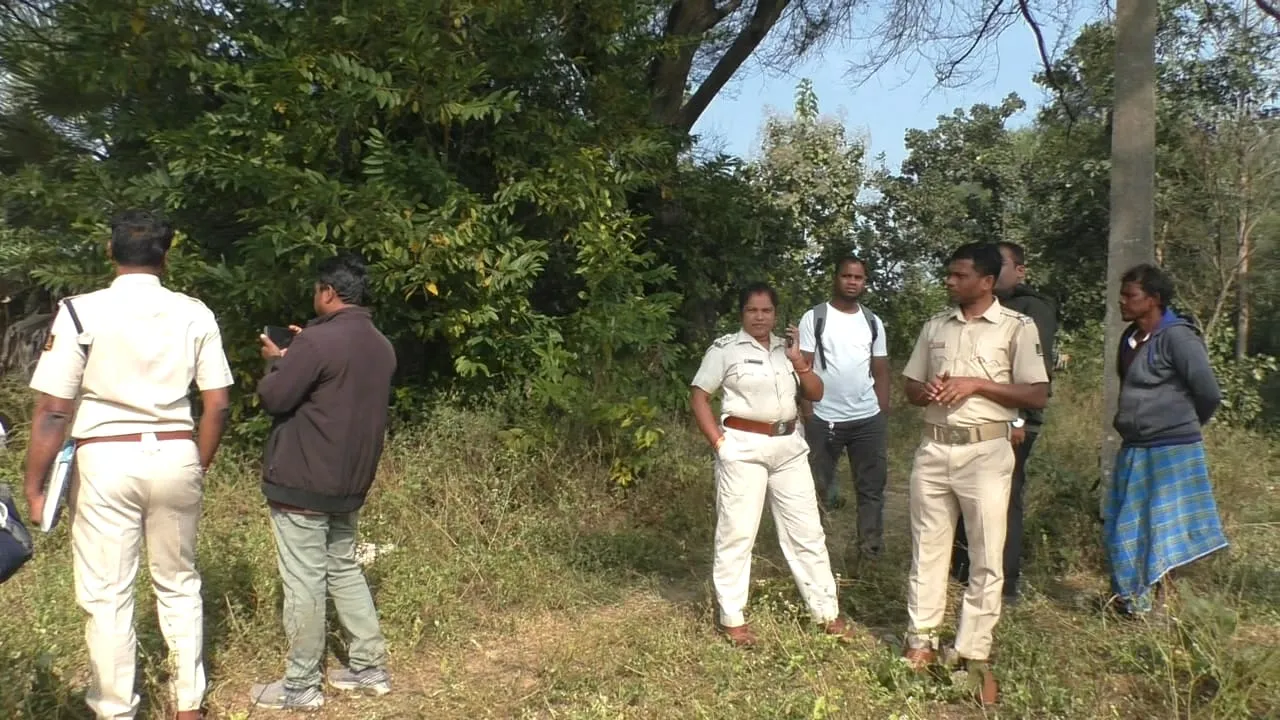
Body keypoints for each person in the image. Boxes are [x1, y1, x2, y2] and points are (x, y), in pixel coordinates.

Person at [21, 209, 234, 720]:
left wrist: (34, 486)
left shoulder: (80, 311)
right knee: (179, 581)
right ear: (166, 254)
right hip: (177, 450)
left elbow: (54, 409)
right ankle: (188, 704)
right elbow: (219, 402)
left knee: (108, 593)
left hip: (105, 457)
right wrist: (197, 463)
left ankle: (117, 708)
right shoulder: (195, 312)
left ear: (110, 251)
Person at [899, 243, 1049, 705]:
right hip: (934, 449)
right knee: (928, 548)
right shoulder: (935, 326)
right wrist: (926, 390)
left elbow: (1037, 394)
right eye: (948, 274)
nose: (950, 281)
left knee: (986, 554)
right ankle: (920, 641)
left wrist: (977, 384)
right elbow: (909, 387)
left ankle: (970, 650)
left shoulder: (1017, 328)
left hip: (986, 452)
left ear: (987, 281)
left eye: (960, 275)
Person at [250, 253, 397, 711]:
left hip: (303, 479)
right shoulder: (380, 344)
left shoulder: (316, 342)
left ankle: (300, 687)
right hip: (349, 482)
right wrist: (299, 354)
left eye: (317, 290)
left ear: (328, 293)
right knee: (343, 567)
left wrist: (277, 361)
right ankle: (370, 668)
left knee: (304, 581)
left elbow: (276, 397)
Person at [690, 282, 859, 647]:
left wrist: (799, 360)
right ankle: (732, 617)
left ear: (776, 314)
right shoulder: (725, 349)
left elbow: (815, 392)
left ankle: (825, 612)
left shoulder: (788, 351)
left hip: (788, 448)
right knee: (737, 533)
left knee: (807, 533)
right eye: (752, 310)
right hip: (743, 447)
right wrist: (720, 445)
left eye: (766, 311)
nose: (760, 317)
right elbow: (700, 397)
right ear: (742, 313)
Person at [1106, 263, 1226, 616]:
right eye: (1123, 295)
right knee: (1128, 525)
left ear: (1154, 299)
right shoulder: (1129, 339)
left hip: (1171, 450)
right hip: (1136, 448)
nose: (1122, 302)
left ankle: (1163, 605)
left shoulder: (1178, 337)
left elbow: (1208, 393)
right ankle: (1132, 601)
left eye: (1131, 295)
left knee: (1164, 530)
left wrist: (1181, 426)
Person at [950, 241, 1058, 603]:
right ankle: (963, 572)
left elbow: (1031, 376)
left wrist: (1018, 420)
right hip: (973, 423)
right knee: (967, 497)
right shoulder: (977, 309)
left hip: (1014, 423)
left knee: (1003, 501)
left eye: (1001, 265)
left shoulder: (1031, 312)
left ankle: (1004, 582)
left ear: (1020, 270)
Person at [797, 256, 890, 556]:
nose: (852, 282)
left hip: (867, 419)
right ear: (835, 278)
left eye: (858, 277)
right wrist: (808, 414)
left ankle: (870, 553)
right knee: (816, 488)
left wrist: (881, 413)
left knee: (871, 490)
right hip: (824, 418)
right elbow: (803, 367)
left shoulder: (872, 322)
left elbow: (881, 370)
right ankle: (814, 554)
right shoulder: (815, 318)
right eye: (846, 276)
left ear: (865, 282)